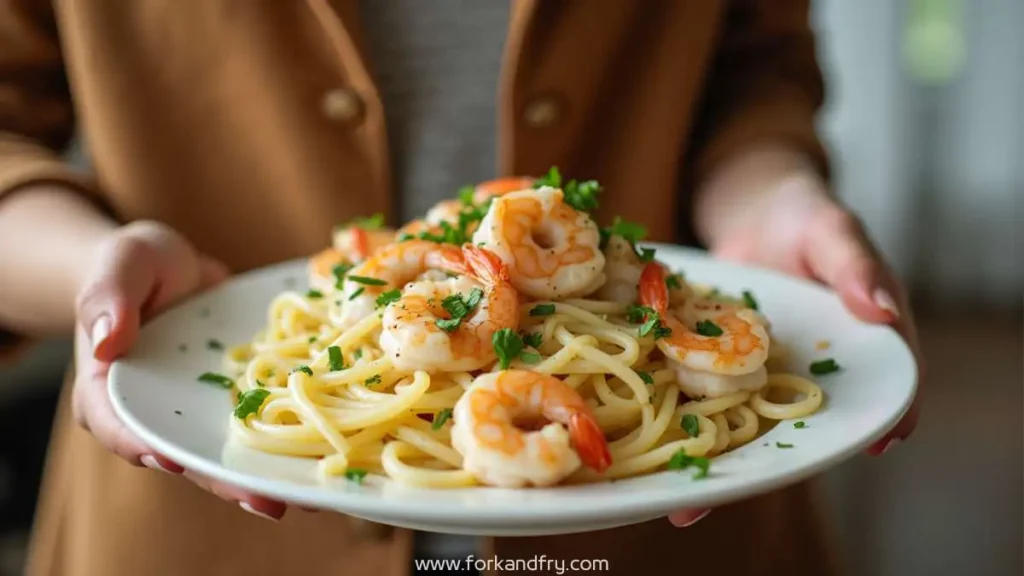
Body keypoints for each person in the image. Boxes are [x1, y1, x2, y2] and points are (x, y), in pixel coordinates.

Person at [0, 1, 922, 575]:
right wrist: (91, 269)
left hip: (666, 544)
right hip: (199, 545)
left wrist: (774, 198)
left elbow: (754, 68)